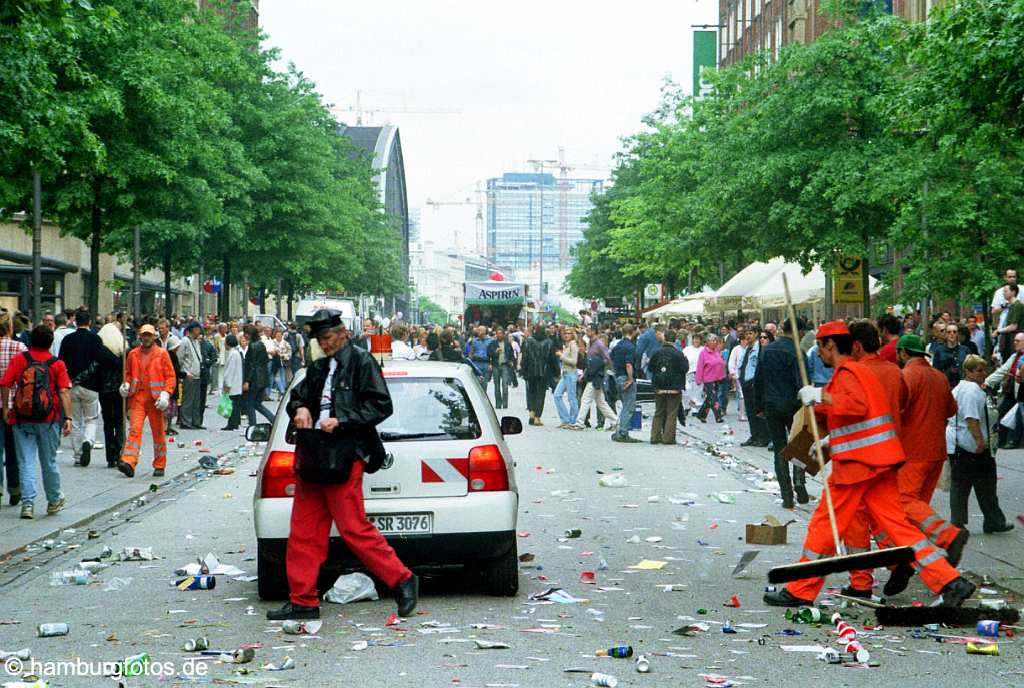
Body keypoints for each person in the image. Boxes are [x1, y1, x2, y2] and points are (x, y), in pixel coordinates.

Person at [764, 321, 976, 608]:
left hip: (857, 466)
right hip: (879, 462)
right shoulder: (862, 371)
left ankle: (801, 588)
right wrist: (826, 430)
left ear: (830, 345)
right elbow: (861, 415)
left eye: (821, 349)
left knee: (824, 524)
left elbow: (855, 406)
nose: (819, 355)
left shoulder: (848, 373)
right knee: (900, 529)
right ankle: (950, 581)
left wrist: (820, 396)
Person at [268, 310, 417, 621]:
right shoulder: (319, 366)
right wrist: (301, 409)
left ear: (344, 333)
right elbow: (298, 396)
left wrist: (344, 420)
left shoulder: (362, 361)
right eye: (321, 340)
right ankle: (303, 600)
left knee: (353, 527)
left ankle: (402, 579)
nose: (325, 343)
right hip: (314, 453)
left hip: (346, 452)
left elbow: (381, 405)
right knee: (304, 530)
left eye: (330, 337)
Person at [879, 334, 967, 597]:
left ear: (904, 353)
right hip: (936, 453)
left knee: (902, 504)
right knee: (913, 512)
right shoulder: (939, 377)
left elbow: (897, 410)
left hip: (912, 452)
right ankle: (904, 561)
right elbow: (951, 410)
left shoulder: (906, 376)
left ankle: (948, 536)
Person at [0, 324, 73, 519]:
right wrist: (68, 417)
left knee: (26, 461)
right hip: (49, 419)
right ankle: (53, 500)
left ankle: (28, 504)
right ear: (50, 343)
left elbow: (5, 383)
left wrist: (7, 408)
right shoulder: (57, 364)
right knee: (49, 461)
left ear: (31, 340)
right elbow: (64, 391)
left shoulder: (19, 360)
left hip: (21, 418)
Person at [947, 355, 1014, 534]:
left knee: (964, 484)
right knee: (982, 483)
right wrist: (979, 441)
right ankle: (991, 520)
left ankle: (962, 522)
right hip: (970, 445)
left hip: (960, 444)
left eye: (984, 370)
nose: (984, 374)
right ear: (967, 371)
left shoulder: (964, 388)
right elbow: (971, 418)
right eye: (979, 370)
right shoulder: (970, 391)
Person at [753, 318, 808, 509]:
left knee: (779, 448)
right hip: (794, 404)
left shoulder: (767, 351)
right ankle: (799, 481)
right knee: (798, 445)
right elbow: (803, 382)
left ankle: (786, 495)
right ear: (798, 332)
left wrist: (758, 406)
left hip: (771, 404)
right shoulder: (798, 353)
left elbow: (758, 379)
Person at [57, 308, 120, 467]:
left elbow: (61, 363)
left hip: (71, 386)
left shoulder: (68, 340)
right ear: (89, 322)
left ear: (75, 322)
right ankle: (88, 441)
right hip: (91, 385)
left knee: (75, 420)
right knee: (91, 419)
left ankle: (78, 455)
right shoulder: (95, 339)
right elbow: (104, 358)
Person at [117, 324, 176, 478]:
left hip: (156, 400)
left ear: (154, 336)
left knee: (159, 434)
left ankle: (160, 464)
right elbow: (128, 373)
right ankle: (129, 461)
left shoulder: (162, 354)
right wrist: (126, 384)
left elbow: (170, 377)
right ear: (140, 336)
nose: (146, 338)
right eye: (144, 335)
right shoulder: (133, 354)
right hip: (138, 398)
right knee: (135, 431)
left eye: (149, 335)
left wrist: (166, 394)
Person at [0, 314, 26, 504]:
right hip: (15, 405)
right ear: (10, 327)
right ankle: (15, 488)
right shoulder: (20, 348)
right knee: (14, 449)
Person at [648, 328, 688, 445]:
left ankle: (655, 437)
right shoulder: (678, 354)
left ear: (664, 338)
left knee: (659, 412)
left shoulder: (657, 352)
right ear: (675, 340)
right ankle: (668, 438)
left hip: (659, 386)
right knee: (671, 413)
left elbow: (650, 368)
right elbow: (685, 369)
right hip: (674, 388)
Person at [986, 332, 1024, 450]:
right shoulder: (1015, 356)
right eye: (1015, 340)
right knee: (1000, 414)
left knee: (1018, 417)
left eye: (1018, 341)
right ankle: (1000, 440)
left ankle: (1013, 441)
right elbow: (1002, 371)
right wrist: (987, 382)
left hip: (1021, 392)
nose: (1014, 342)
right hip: (1012, 391)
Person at [573, 333, 617, 431]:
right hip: (597, 380)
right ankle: (615, 421)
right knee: (601, 402)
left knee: (585, 400)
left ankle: (579, 422)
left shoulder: (598, 357)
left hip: (594, 380)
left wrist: (584, 376)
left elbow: (591, 369)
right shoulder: (602, 356)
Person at [97, 320, 126, 467]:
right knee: (120, 422)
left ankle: (110, 456)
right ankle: (121, 452)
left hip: (104, 390)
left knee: (108, 423)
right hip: (120, 390)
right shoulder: (123, 352)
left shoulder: (100, 351)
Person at [739, 329, 770, 447]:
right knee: (750, 411)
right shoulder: (746, 349)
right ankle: (754, 435)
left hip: (754, 383)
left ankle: (763, 437)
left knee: (758, 411)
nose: (748, 336)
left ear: (755, 335)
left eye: (750, 333)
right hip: (746, 383)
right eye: (746, 334)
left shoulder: (759, 349)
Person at [610, 324, 640, 442]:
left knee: (624, 406)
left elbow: (611, 358)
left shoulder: (618, 345)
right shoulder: (630, 347)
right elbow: (629, 364)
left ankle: (620, 430)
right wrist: (630, 378)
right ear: (632, 332)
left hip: (618, 376)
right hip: (625, 377)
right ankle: (623, 432)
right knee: (629, 406)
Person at [521, 324, 554, 426]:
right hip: (543, 372)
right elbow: (552, 359)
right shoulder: (549, 342)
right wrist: (555, 372)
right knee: (540, 394)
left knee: (531, 392)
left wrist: (524, 370)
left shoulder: (528, 341)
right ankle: (537, 417)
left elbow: (525, 357)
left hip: (530, 370)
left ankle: (531, 412)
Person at [243, 324, 275, 427]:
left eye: (245, 334)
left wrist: (247, 380)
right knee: (257, 403)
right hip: (263, 377)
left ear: (249, 334)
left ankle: (252, 426)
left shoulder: (252, 346)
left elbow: (251, 365)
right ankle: (273, 420)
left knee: (250, 403)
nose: (244, 336)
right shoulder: (261, 344)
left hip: (255, 378)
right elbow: (266, 359)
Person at [176, 322, 204, 430]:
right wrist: (184, 372)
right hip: (189, 375)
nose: (199, 332)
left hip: (197, 375)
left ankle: (195, 421)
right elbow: (180, 358)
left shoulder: (196, 341)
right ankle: (185, 421)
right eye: (197, 330)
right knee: (188, 400)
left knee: (196, 401)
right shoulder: (185, 341)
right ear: (192, 330)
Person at [694, 334, 727, 424]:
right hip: (708, 379)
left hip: (717, 379)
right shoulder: (703, 353)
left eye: (715, 340)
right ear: (707, 342)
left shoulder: (717, 352)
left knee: (709, 399)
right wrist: (698, 380)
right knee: (714, 398)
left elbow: (721, 364)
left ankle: (701, 415)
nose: (714, 342)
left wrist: (723, 376)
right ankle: (718, 416)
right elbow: (699, 367)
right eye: (712, 340)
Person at [552, 328, 580, 428]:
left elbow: (574, 361)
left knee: (572, 398)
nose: (566, 335)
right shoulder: (566, 346)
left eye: (569, 333)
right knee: (557, 394)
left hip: (571, 373)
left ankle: (573, 421)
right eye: (565, 333)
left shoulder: (573, 346)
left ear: (572, 335)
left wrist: (561, 355)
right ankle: (565, 419)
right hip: (565, 373)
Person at [930, 322, 971, 387]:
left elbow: (970, 370)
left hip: (962, 386)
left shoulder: (965, 350)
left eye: (954, 332)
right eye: (949, 332)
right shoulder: (939, 350)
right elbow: (935, 371)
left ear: (958, 334)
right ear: (946, 334)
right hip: (944, 386)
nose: (952, 334)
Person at [990, 268, 1017, 359]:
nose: (1012, 279)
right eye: (1010, 277)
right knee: (1003, 355)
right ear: (1005, 278)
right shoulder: (999, 292)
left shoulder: (1022, 291)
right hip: (1003, 329)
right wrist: (1004, 306)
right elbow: (993, 311)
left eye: (1014, 276)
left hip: (1017, 330)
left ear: (1013, 292)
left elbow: (1014, 326)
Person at [993, 283, 1024, 363]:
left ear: (1013, 292)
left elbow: (1013, 326)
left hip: (1014, 343)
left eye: (1006, 291)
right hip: (1010, 343)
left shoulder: (1017, 305)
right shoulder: (1011, 305)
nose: (1003, 293)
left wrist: (998, 331)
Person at [221, 334, 244, 431]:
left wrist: (227, 384)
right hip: (236, 383)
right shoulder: (236, 353)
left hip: (232, 384)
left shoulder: (232, 354)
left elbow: (230, 371)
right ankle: (235, 423)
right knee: (235, 404)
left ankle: (232, 424)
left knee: (232, 405)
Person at [487, 328, 515, 409]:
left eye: (500, 333)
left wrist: (511, 361)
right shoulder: (492, 344)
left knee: (505, 385)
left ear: (503, 334)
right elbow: (489, 354)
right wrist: (495, 352)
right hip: (495, 366)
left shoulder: (507, 344)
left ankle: (505, 404)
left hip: (505, 366)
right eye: (497, 333)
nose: (499, 335)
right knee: (497, 386)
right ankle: (498, 404)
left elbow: (512, 354)